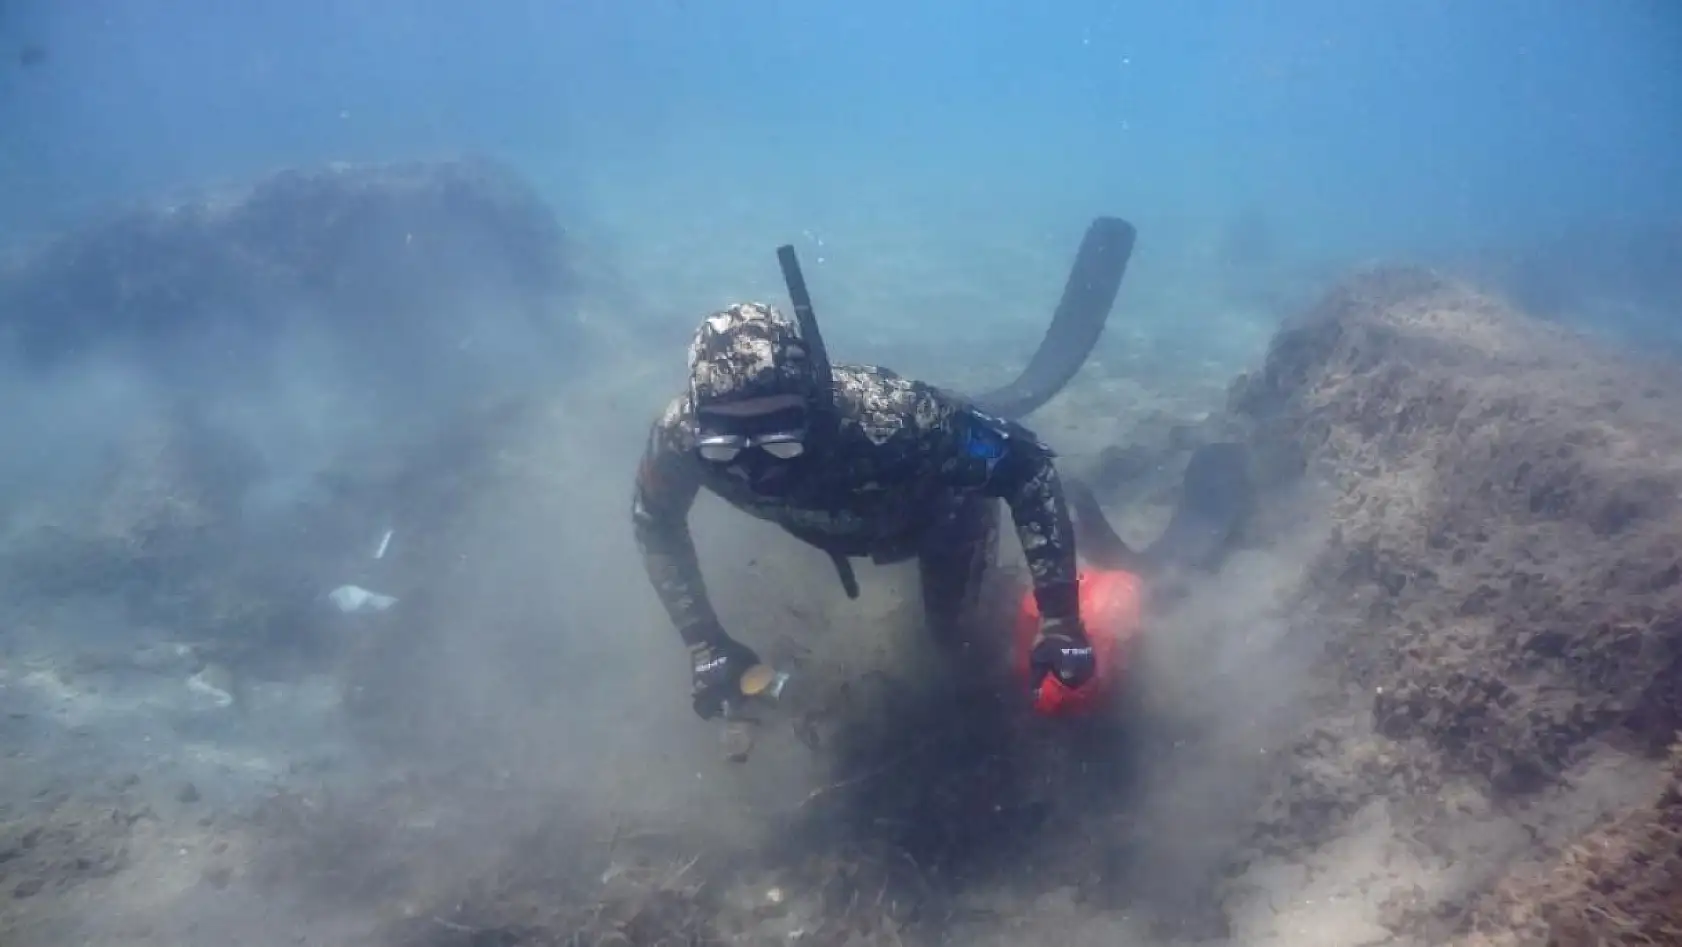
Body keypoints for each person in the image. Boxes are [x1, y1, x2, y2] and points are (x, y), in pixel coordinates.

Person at [631, 295, 1105, 719]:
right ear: (699, 421)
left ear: (813, 404)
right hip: (844, 524)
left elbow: (1025, 466)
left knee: (957, 644)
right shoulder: (680, 438)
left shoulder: (889, 418)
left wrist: (1060, 617)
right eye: (727, 441)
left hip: (943, 519)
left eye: (779, 435)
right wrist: (705, 642)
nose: (757, 467)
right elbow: (655, 521)